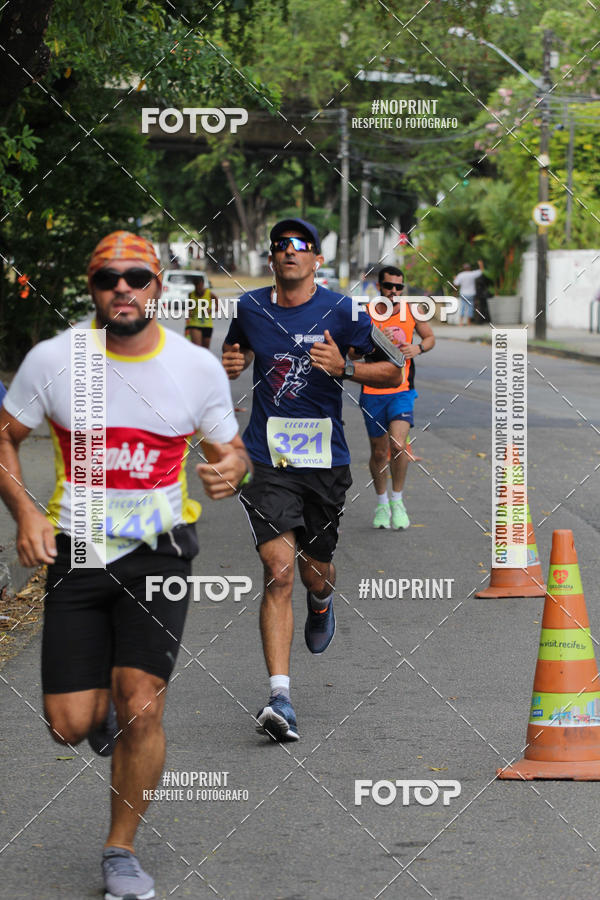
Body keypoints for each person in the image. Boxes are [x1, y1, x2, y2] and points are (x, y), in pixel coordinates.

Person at [0, 231, 250, 900]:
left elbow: (232, 451)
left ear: (157, 287)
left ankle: (121, 851)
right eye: (107, 277)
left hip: (160, 551)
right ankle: (101, 708)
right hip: (79, 549)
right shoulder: (54, 359)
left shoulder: (194, 368)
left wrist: (232, 470)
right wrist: (26, 513)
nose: (122, 288)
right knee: (67, 725)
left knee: (143, 706)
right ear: (91, 287)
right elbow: (5, 435)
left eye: (136, 277)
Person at [221, 218, 403, 742]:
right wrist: (233, 362)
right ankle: (280, 697)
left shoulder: (345, 311)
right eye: (280, 245)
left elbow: (394, 368)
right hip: (266, 461)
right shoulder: (249, 308)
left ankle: (321, 601)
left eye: (301, 245)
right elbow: (237, 352)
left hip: (324, 463)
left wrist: (346, 367)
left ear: (317, 259)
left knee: (313, 573)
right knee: (278, 571)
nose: (290, 251)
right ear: (271, 258)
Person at [359, 266, 435, 530]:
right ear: (379, 286)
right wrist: (376, 339)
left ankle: (398, 500)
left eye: (398, 287)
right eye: (389, 286)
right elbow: (352, 354)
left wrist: (418, 347)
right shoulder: (366, 314)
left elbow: (430, 337)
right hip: (372, 391)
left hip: (402, 390)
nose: (393, 291)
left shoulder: (411, 311)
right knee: (379, 452)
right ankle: (382, 503)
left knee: (398, 445)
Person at [185, 274, 218, 348]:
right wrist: (189, 314)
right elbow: (190, 308)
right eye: (196, 285)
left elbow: (218, 307)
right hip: (194, 324)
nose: (198, 287)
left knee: (205, 350)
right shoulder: (191, 295)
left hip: (207, 324)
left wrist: (210, 310)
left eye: (200, 285)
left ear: (203, 284)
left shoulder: (210, 294)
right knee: (198, 348)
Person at [453, 260, 484, 325]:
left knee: (463, 307)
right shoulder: (472, 274)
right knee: (470, 307)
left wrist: (455, 278)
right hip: (471, 293)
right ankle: (468, 322)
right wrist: (481, 264)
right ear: (469, 268)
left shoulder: (460, 275)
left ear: (463, 268)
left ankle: (461, 322)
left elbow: (456, 283)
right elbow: (481, 271)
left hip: (463, 293)